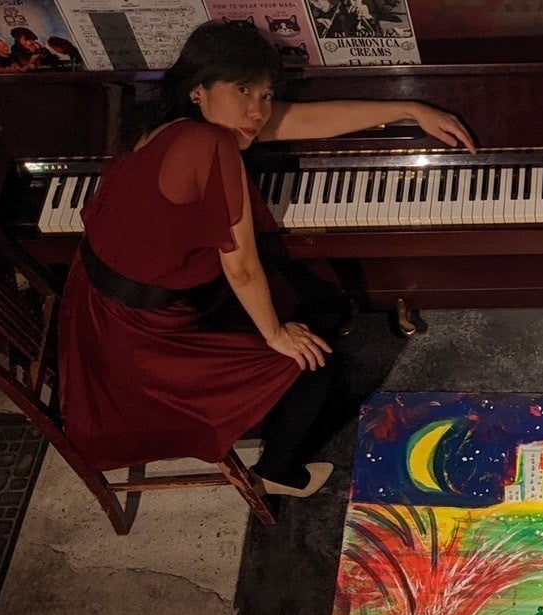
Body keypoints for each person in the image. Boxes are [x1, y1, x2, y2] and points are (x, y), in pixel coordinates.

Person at [57, 21, 475, 496]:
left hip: (98, 299)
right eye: (242, 91)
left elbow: (306, 121)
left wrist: (410, 109)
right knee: (311, 359)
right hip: (142, 339)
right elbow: (241, 268)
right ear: (199, 89)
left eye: (266, 95)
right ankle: (278, 472)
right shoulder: (211, 144)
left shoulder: (172, 123)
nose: (257, 111)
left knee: (306, 298)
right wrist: (277, 336)